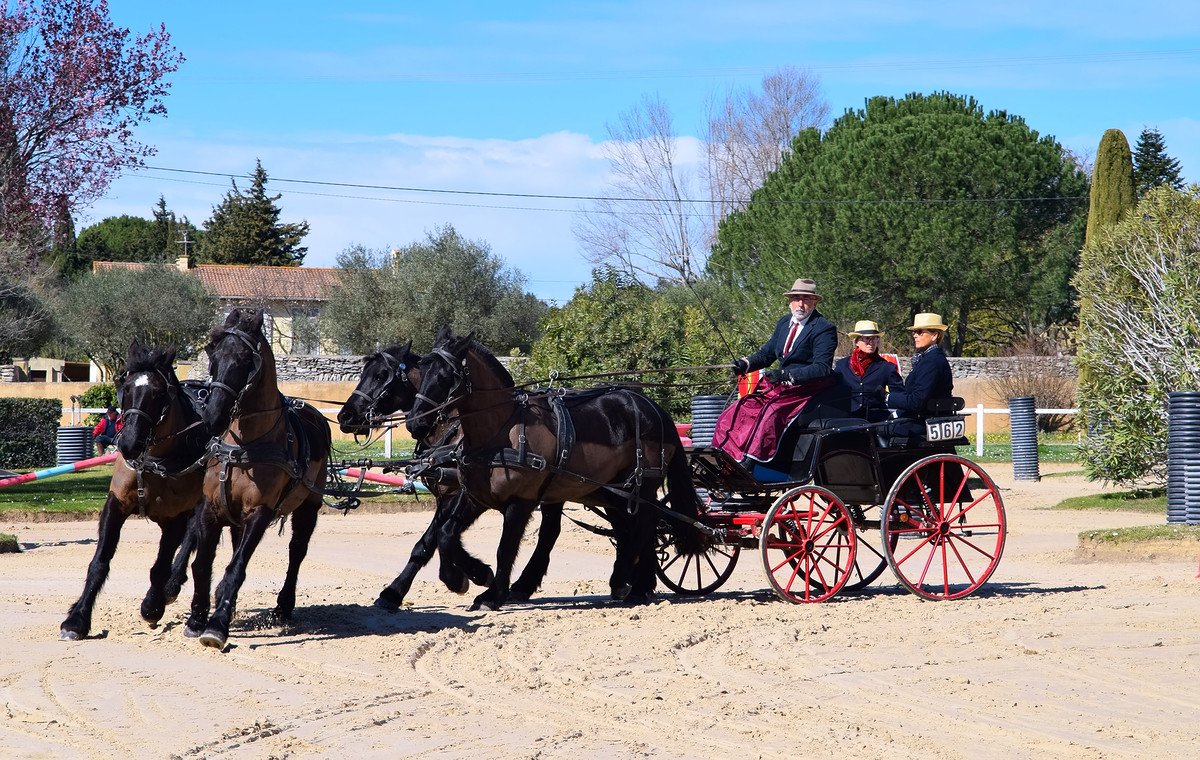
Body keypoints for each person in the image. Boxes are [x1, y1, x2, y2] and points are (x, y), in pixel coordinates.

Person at [731, 278, 837, 384]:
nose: (800, 304)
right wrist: (746, 364)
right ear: (789, 301)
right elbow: (767, 354)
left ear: (815, 303)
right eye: (796, 298)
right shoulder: (784, 322)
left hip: (809, 387)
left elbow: (822, 368)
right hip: (783, 385)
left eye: (806, 299)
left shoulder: (824, 328)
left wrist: (787, 375)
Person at [885, 313, 954, 436]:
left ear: (934, 335)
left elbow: (916, 402)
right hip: (925, 418)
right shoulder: (931, 359)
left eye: (920, 332)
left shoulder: (931, 362)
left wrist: (887, 397)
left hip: (922, 422)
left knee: (876, 430)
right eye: (914, 332)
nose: (915, 335)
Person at [835, 320, 904, 423]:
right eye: (866, 338)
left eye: (874, 338)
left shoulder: (887, 367)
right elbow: (834, 393)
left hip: (876, 421)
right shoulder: (842, 365)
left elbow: (900, 396)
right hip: (848, 420)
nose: (871, 342)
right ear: (857, 341)